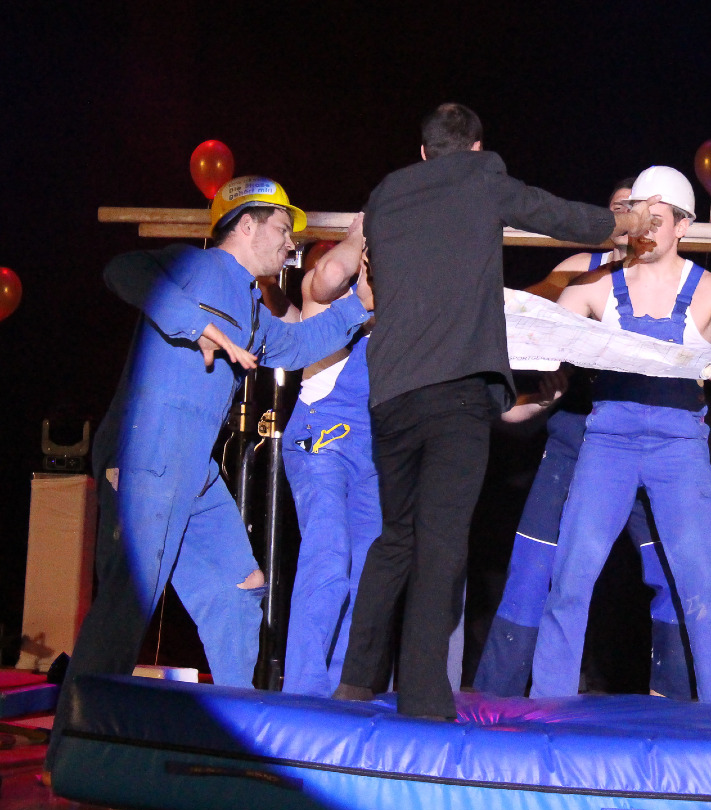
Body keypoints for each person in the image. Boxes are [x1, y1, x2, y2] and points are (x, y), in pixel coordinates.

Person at [333, 104, 657, 720]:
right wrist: (627, 223)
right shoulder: (482, 177)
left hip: (391, 392)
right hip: (454, 391)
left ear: (423, 152)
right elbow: (556, 215)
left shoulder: (387, 193)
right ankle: (423, 699)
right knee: (441, 542)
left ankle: (355, 681)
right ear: (478, 148)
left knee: (396, 534)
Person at [47, 177, 374, 765]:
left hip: (191, 469)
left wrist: (357, 306)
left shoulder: (248, 304)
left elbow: (296, 347)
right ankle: (70, 753)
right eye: (282, 231)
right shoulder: (197, 268)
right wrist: (190, 321)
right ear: (245, 225)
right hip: (148, 455)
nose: (290, 246)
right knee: (126, 605)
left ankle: (233, 746)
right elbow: (122, 269)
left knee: (239, 588)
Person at [529, 165, 711, 705]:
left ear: (683, 225)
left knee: (702, 583)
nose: (645, 231)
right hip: (608, 442)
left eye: (657, 220)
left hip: (678, 447)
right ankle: (549, 707)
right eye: (638, 218)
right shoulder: (600, 285)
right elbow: (542, 327)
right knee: (571, 574)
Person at [475, 178, 692, 699]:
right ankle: (496, 699)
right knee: (534, 566)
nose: (627, 219)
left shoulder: (673, 279)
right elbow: (521, 313)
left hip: (646, 441)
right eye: (618, 209)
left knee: (671, 571)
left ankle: (675, 702)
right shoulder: (580, 269)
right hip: (575, 435)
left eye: (638, 210)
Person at [280, 214, 380, 697]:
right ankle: (303, 690)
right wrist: (360, 231)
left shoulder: (398, 312)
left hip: (371, 452)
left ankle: (340, 690)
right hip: (319, 439)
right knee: (328, 556)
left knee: (366, 575)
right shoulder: (324, 295)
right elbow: (328, 274)